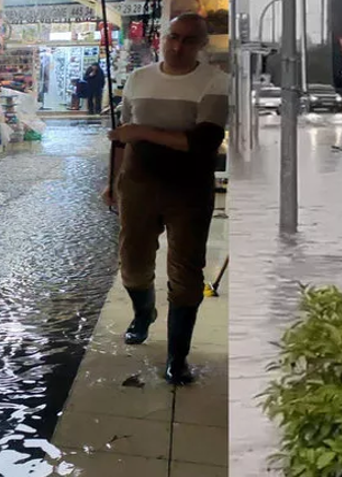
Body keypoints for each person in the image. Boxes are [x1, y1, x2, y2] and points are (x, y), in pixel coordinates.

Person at [104, 12, 228, 385]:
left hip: (189, 189)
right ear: (162, 37)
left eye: (189, 40)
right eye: (173, 37)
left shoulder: (216, 82)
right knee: (132, 262)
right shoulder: (138, 79)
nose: (178, 46)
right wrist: (112, 182)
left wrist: (143, 131)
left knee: (186, 273)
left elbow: (203, 141)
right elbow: (122, 138)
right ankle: (144, 313)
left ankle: (177, 356)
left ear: (202, 44)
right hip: (138, 184)